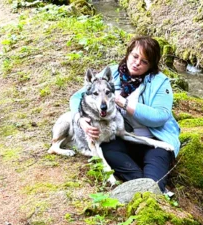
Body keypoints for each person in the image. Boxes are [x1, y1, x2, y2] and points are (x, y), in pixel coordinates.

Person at [69, 36, 180, 192]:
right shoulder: (113, 73)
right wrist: (80, 119)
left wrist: (123, 102)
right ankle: (147, 191)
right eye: (135, 56)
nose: (137, 63)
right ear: (128, 54)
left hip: (153, 141)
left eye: (144, 61)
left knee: (155, 180)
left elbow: (160, 117)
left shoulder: (160, 82)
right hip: (120, 138)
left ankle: (154, 190)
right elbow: (77, 97)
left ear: (151, 65)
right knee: (110, 153)